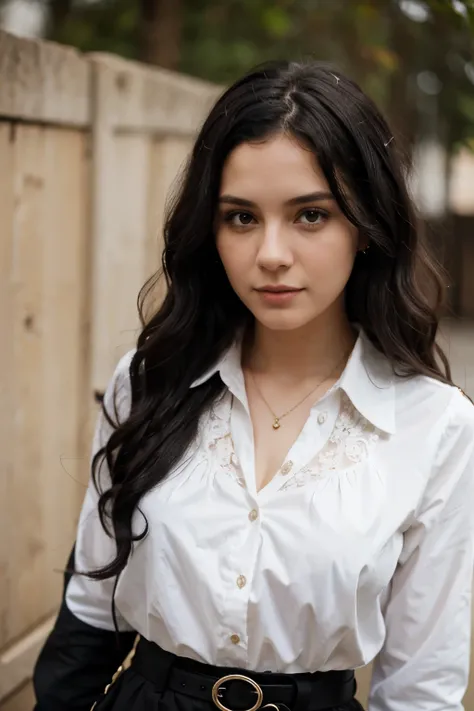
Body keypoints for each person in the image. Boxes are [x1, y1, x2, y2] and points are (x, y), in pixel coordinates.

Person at [33, 60, 474, 711]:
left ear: (368, 226)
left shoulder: (436, 426)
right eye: (241, 217)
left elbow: (420, 686)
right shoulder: (149, 379)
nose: (270, 252)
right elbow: (91, 611)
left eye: (311, 216)